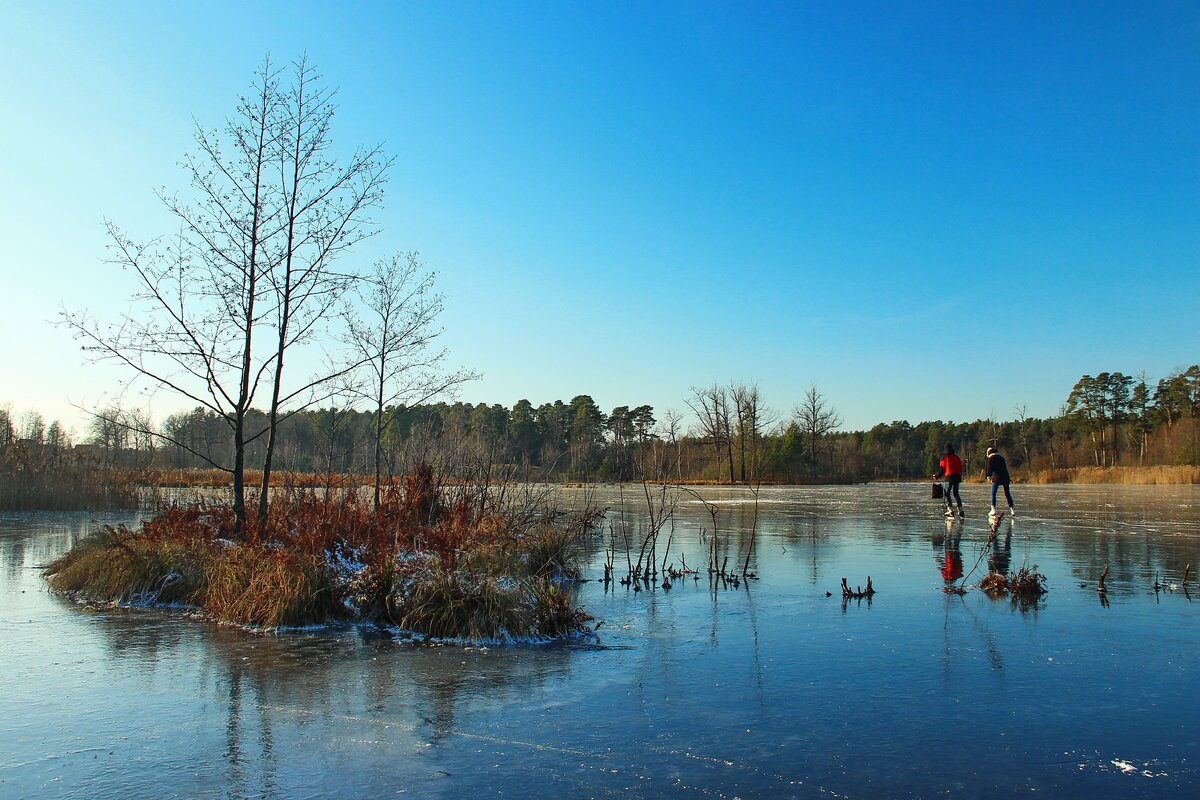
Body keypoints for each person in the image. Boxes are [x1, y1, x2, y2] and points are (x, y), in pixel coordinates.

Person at [984, 446, 1014, 517]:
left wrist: (988, 476)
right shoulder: (1001, 458)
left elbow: (989, 468)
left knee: (993, 493)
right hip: (1005, 477)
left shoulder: (991, 458)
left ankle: (993, 509)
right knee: (1007, 494)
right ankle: (1012, 510)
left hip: (996, 478)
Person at [937, 444, 963, 517]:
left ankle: (950, 510)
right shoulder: (957, 457)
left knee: (947, 493)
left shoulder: (944, 457)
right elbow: (960, 468)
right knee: (956, 493)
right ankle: (960, 510)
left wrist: (937, 476)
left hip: (949, 477)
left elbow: (941, 470)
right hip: (957, 477)